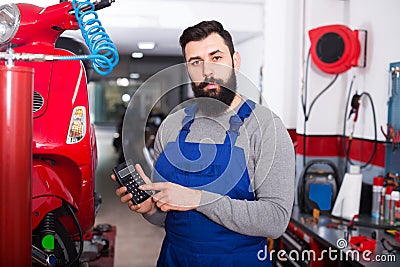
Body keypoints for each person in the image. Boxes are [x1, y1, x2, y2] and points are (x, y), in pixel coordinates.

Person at [112, 20, 295, 266]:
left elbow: (275, 220)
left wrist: (198, 199)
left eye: (216, 57)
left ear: (235, 61)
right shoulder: (172, 126)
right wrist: (150, 209)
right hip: (174, 259)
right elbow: (168, 216)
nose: (207, 71)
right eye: (195, 62)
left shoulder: (265, 127)